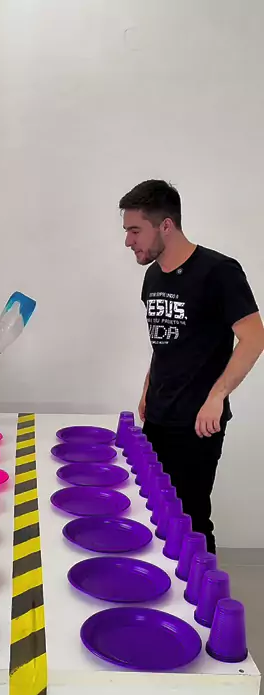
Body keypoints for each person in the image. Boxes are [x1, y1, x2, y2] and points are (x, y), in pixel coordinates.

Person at [119, 179, 264, 553]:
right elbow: (165, 342)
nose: (128, 241)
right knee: (155, 510)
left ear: (166, 225)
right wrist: (147, 388)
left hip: (198, 422)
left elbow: (254, 338)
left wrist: (217, 396)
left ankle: (206, 590)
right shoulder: (153, 276)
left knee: (192, 518)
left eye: (135, 230)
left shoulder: (219, 272)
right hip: (158, 415)